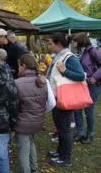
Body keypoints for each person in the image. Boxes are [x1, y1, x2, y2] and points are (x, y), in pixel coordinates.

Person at [46, 32, 85, 167]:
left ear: (58, 44)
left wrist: (64, 72)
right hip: (57, 98)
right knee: (61, 128)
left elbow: (81, 75)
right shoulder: (60, 55)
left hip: (64, 99)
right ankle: (60, 152)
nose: (48, 46)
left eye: (50, 43)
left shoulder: (69, 58)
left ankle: (65, 158)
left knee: (64, 129)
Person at [14, 54, 56, 173]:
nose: (18, 69)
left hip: (22, 122)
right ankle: (34, 169)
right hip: (37, 121)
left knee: (23, 149)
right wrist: (40, 112)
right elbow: (52, 103)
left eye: (19, 66)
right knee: (31, 143)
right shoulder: (44, 81)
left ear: (23, 66)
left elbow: (14, 106)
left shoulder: (16, 83)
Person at [73, 33, 101, 144]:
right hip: (82, 84)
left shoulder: (92, 51)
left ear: (81, 41)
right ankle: (80, 133)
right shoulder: (82, 52)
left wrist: (95, 76)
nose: (73, 43)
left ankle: (90, 134)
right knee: (77, 108)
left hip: (92, 84)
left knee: (89, 110)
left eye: (75, 41)